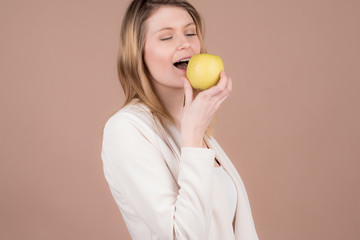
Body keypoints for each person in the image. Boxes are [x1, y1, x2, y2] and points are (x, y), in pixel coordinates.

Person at [101, 0, 259, 239]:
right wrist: (193, 136)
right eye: (166, 37)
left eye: (190, 32)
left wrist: (194, 132)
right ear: (137, 53)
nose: (185, 43)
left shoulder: (191, 128)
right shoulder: (125, 129)